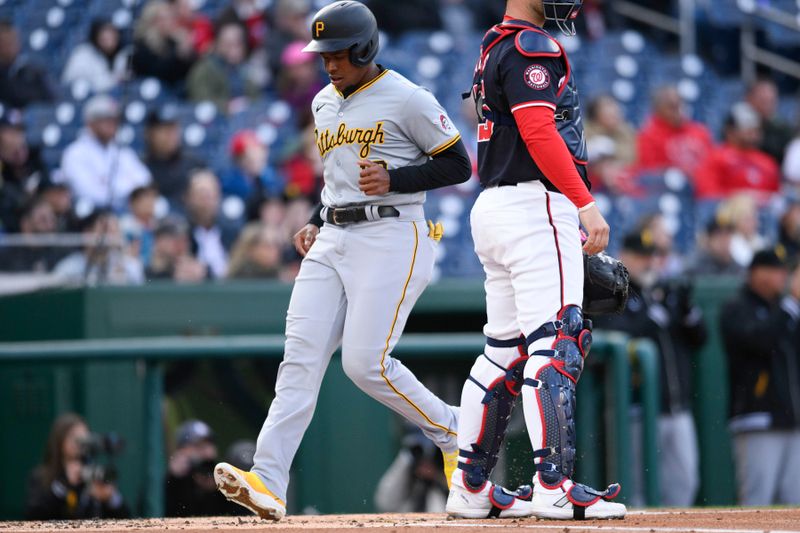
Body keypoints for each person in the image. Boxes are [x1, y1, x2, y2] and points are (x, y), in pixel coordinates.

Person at [213, 1, 471, 521]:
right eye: (323, 53)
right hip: (334, 234)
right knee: (299, 359)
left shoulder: (407, 98)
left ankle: (454, 431)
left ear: (365, 48)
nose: (329, 63)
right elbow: (337, 178)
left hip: (393, 232)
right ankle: (268, 479)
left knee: (363, 363)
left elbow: (459, 163)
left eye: (339, 53)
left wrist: (398, 179)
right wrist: (315, 215)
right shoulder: (322, 103)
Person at [446, 0, 625, 520]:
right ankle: (554, 486)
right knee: (558, 344)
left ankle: (471, 486)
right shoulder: (531, 44)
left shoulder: (494, 43)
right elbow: (539, 131)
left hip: (495, 207)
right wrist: (585, 204)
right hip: (535, 204)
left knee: (503, 352)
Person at [592, 231, 706, 507]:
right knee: (637, 485)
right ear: (626, 257)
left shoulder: (662, 294)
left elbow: (700, 339)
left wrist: (687, 311)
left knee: (685, 482)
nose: (648, 263)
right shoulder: (615, 292)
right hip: (636, 407)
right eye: (641, 257)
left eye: (651, 257)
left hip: (676, 407)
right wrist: (649, 318)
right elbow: (614, 336)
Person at [721, 249, 800, 506]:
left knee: (794, 500)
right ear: (758, 273)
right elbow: (760, 341)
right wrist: (790, 305)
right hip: (756, 417)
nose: (783, 277)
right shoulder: (737, 307)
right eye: (777, 271)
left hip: (791, 417)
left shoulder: (784, 310)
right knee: (757, 499)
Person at [26, 413, 129, 520]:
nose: (79, 442)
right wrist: (63, 485)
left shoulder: (93, 474)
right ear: (60, 440)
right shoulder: (41, 476)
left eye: (84, 436)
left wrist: (110, 498)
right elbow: (34, 516)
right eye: (73, 436)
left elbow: (125, 517)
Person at [60, 95, 152, 211]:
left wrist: (111, 185)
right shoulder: (75, 153)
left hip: (127, 213)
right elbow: (90, 194)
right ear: (90, 122)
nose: (112, 124)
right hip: (92, 217)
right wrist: (127, 188)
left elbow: (145, 181)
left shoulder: (123, 151)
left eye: (114, 120)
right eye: (106, 119)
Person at [693, 102, 780, 200]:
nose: (753, 134)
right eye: (747, 129)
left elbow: (776, 198)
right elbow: (708, 195)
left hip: (765, 212)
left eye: (755, 129)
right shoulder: (715, 158)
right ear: (730, 131)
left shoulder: (767, 163)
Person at [636, 85, 714, 178]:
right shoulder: (648, 137)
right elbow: (651, 174)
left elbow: (712, 165)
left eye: (681, 105)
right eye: (672, 107)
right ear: (657, 110)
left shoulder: (700, 131)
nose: (679, 111)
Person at [53, 210, 144, 286]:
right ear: (87, 233)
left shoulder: (131, 266)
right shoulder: (69, 268)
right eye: (106, 230)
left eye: (115, 230)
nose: (111, 236)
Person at [187, 22, 260, 113]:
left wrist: (248, 103)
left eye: (238, 44)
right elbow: (200, 101)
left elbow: (256, 97)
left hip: (246, 118)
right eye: (228, 44)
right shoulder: (204, 70)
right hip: (219, 122)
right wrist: (227, 106)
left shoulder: (245, 67)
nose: (234, 49)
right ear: (218, 44)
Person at [142, 106, 205, 211]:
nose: (171, 134)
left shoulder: (194, 164)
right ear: (150, 133)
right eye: (165, 129)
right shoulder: (139, 168)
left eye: (174, 128)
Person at [166, 420, 232, 517]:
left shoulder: (220, 476)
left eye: (208, 444)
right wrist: (175, 480)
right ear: (182, 450)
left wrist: (214, 489)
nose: (205, 450)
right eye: (198, 446)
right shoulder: (175, 479)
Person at [374, 426, 448, 513]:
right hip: (408, 509)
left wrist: (436, 475)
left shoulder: (447, 456)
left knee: (436, 502)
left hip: (440, 506)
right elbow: (385, 503)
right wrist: (410, 459)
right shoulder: (407, 463)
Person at [0, 109, 50, 232]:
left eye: (20, 131)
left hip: (32, 217)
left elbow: (45, 183)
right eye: (11, 132)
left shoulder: (33, 155)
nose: (17, 137)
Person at [184, 170, 238, 279]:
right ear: (188, 197)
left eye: (210, 194)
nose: (206, 200)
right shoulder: (182, 233)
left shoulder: (233, 232)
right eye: (201, 194)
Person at [131, 0, 196, 85]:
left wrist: (187, 52)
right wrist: (177, 54)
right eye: (166, 18)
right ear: (155, 21)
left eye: (171, 18)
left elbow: (187, 71)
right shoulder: (142, 44)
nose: (171, 21)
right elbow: (155, 73)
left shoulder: (173, 40)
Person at [61, 18, 127, 93]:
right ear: (96, 37)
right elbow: (97, 86)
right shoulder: (84, 53)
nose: (110, 43)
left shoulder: (122, 55)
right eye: (105, 39)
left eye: (113, 38)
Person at [0, 20, 54, 109]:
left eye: (12, 41)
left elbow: (52, 100)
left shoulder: (33, 71)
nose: (10, 47)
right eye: (5, 43)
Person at [746, 79, 793, 165]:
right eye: (763, 101)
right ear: (749, 99)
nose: (768, 106)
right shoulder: (738, 124)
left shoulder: (782, 128)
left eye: (771, 101)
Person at [145, 216, 208, 282]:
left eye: (184, 239)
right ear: (158, 241)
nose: (180, 245)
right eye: (174, 238)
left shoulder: (196, 268)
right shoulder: (145, 270)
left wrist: (200, 276)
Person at [583, 94, 636, 167]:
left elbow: (631, 160)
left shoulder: (624, 130)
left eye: (614, 106)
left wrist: (612, 148)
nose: (613, 111)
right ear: (595, 113)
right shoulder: (583, 132)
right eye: (607, 107)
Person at [120, 185, 160, 265]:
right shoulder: (124, 225)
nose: (150, 203)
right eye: (145, 199)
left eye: (152, 199)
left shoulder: (159, 225)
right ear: (133, 203)